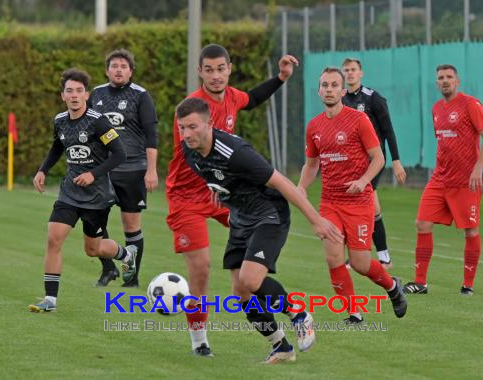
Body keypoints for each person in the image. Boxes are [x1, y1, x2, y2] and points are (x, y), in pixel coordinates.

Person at [176, 97, 343, 363]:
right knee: (241, 292)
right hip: (241, 217)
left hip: (269, 213)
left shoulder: (235, 151)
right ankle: (281, 347)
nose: (186, 134)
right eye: (182, 128)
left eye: (192, 127)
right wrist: (221, 191)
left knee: (250, 280)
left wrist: (316, 220)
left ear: (209, 123)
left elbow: (283, 183)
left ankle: (299, 313)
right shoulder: (190, 150)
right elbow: (215, 176)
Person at [165, 44, 299, 356]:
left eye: (220, 69)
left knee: (247, 275)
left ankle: (281, 332)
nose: (215, 76)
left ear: (229, 69)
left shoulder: (231, 96)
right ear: (200, 72)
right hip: (188, 196)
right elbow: (192, 157)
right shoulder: (191, 111)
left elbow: (251, 100)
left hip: (224, 194)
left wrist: (280, 77)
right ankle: (200, 342)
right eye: (208, 70)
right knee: (201, 268)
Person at [297, 67, 408, 324]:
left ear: (342, 90)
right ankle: (353, 313)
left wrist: (363, 180)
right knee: (333, 257)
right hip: (330, 202)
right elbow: (312, 164)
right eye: (324, 85)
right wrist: (301, 187)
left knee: (359, 262)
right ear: (319, 91)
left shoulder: (358, 120)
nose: (329, 90)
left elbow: (379, 157)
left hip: (359, 201)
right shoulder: (314, 126)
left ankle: (393, 287)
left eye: (334, 85)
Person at [28, 68, 137, 313]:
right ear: (62, 96)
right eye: (70, 91)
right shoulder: (59, 121)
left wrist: (93, 174)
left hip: (97, 196)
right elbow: (58, 145)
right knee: (54, 238)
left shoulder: (98, 121)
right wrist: (42, 170)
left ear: (86, 95)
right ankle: (50, 300)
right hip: (69, 193)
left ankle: (126, 254)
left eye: (79, 91)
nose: (74, 95)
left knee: (93, 249)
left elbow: (120, 153)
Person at [403, 64, 483, 296]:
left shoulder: (470, 104)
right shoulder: (436, 109)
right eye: (441, 78)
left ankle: (468, 284)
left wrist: (478, 167)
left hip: (466, 181)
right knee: (422, 223)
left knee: (470, 231)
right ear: (436, 83)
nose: (445, 81)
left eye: (449, 77)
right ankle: (420, 283)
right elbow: (445, 144)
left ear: (457, 81)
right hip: (440, 179)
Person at [89, 49, 158, 288]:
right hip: (103, 169)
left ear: (131, 71)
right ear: (107, 69)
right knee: (93, 222)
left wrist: (151, 170)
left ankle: (131, 276)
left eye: (124, 66)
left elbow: (151, 136)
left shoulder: (141, 95)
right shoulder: (95, 94)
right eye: (114, 65)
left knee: (131, 226)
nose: (119, 69)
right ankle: (109, 269)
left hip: (133, 169)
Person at [341, 58, 406, 269]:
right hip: (351, 163)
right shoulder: (341, 99)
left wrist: (396, 161)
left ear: (361, 73)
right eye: (347, 70)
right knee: (356, 207)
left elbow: (388, 130)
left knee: (371, 203)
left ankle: (384, 256)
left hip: (373, 162)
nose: (350, 73)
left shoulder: (373, 98)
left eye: (353, 70)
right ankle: (359, 255)